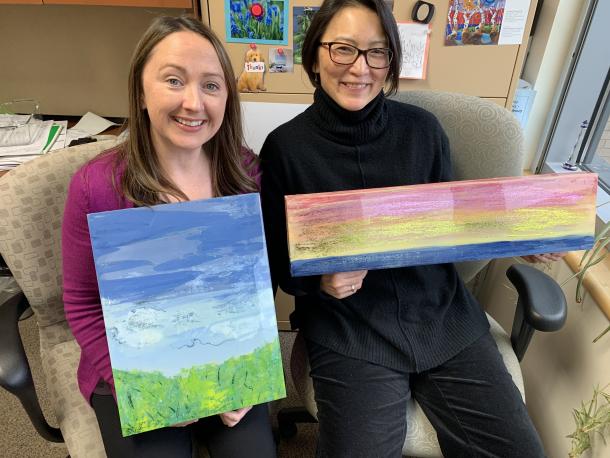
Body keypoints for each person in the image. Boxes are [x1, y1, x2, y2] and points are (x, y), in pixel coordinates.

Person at [259, 1, 563, 456]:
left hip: (440, 314)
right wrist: (318, 279)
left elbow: (450, 223)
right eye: (343, 49)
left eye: (377, 53)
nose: (360, 68)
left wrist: (519, 236)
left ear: (391, 62)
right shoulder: (285, 149)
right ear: (315, 54)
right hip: (350, 328)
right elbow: (278, 265)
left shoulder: (423, 131)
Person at [62, 16, 276, 458]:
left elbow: (255, 286)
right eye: (174, 80)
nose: (193, 102)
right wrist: (147, 386)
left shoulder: (246, 175)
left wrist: (248, 375)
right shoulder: (97, 186)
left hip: (225, 362)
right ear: (141, 92)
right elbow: (82, 303)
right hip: (135, 370)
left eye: (212, 85)